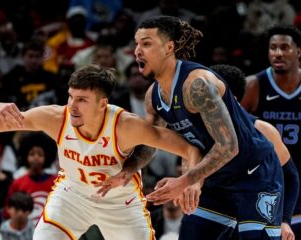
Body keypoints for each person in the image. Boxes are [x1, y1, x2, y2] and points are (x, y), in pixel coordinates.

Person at [0, 64, 202, 239]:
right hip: (72, 196)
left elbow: (189, 147)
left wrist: (190, 181)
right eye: (71, 96)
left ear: (103, 103)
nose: (72, 105)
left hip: (120, 204)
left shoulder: (125, 126)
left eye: (82, 100)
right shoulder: (55, 118)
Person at [103, 16, 284, 240]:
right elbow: (151, 141)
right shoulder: (153, 96)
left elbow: (229, 146)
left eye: (146, 43)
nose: (137, 51)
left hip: (254, 173)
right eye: (136, 43)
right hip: (216, 177)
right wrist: (126, 172)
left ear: (169, 48)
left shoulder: (197, 84)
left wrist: (185, 180)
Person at [210, 64, 299, 240]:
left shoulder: (263, 131)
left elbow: (291, 176)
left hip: (255, 220)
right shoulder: (198, 130)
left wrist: (285, 220)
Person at [241, 25, 301, 238]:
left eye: (285, 47)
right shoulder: (253, 85)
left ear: (298, 52)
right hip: (267, 177)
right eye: (273, 48)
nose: (278, 53)